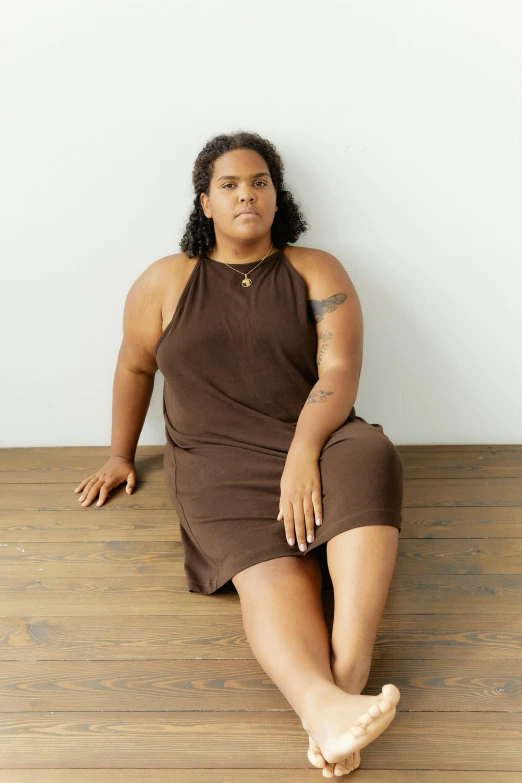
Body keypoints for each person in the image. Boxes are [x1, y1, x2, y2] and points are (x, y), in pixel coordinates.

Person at [73, 131, 403, 777]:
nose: (246, 193)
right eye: (229, 184)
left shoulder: (316, 268)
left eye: (259, 182)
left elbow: (339, 371)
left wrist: (305, 452)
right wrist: (119, 454)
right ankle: (326, 707)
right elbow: (134, 368)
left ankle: (344, 679)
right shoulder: (164, 281)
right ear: (205, 202)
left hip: (317, 434)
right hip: (217, 460)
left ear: (277, 198)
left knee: (372, 454)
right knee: (278, 570)